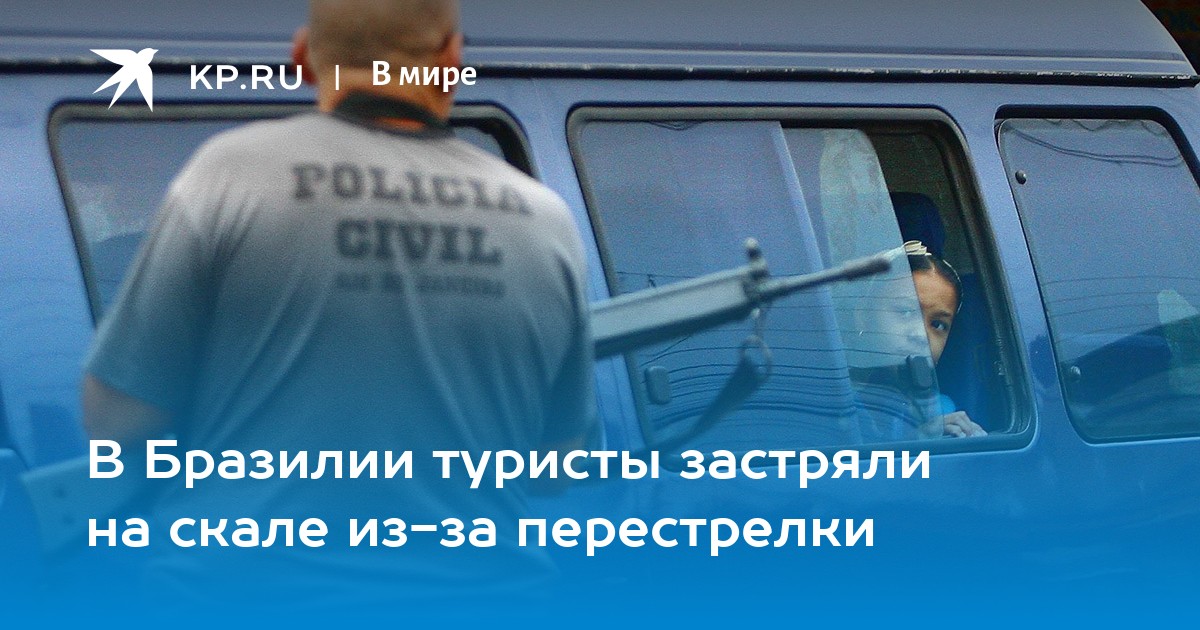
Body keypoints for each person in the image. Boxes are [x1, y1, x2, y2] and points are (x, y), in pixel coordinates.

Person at [81, 0, 594, 603]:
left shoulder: (233, 173)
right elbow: (559, 466)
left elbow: (117, 421)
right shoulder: (544, 218)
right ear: (452, 58)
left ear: (302, 57)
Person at [904, 240, 986, 438]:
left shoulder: (943, 408)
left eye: (937, 324)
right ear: (862, 317)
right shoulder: (840, 403)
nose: (921, 334)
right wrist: (917, 439)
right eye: (906, 312)